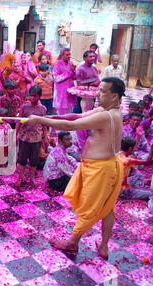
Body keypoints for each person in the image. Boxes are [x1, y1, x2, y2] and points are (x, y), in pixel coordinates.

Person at [25, 77, 126, 259]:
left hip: (102, 169)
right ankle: (103, 247)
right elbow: (75, 116)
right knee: (107, 208)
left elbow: (71, 125)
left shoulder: (107, 116)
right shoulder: (106, 110)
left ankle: (73, 242)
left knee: (90, 207)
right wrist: (46, 118)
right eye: (99, 89)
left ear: (115, 96)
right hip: (103, 166)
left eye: (103, 91)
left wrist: (41, 120)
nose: (97, 94)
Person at [15, 86, 47, 187]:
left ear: (39, 96)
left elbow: (44, 124)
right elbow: (19, 122)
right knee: (22, 159)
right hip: (24, 137)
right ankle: (20, 178)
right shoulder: (24, 107)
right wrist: (15, 134)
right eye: (31, 96)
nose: (32, 98)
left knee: (34, 160)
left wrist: (45, 137)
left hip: (36, 138)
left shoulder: (42, 109)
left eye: (35, 96)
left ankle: (32, 178)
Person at [53, 48, 77, 115]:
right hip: (61, 93)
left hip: (70, 92)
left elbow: (74, 78)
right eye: (67, 55)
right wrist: (69, 72)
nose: (69, 56)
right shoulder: (57, 64)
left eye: (69, 55)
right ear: (62, 55)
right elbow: (57, 78)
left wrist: (74, 71)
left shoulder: (71, 63)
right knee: (61, 115)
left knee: (69, 114)